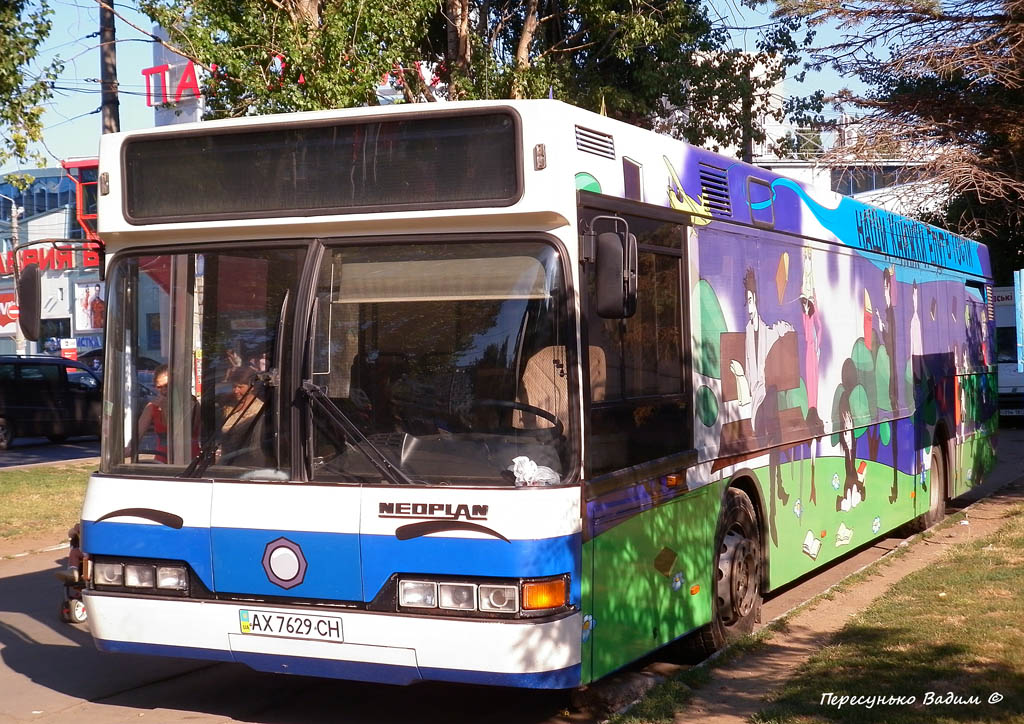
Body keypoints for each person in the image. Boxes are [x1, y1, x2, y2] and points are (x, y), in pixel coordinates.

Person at [135, 364, 199, 463]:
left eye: (167, 386)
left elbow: (178, 430)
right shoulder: (152, 407)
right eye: (159, 387)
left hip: (189, 460)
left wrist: (165, 407)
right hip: (162, 460)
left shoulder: (190, 402)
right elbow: (137, 434)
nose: (164, 391)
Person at [218, 365, 268, 466]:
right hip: (226, 462)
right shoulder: (228, 406)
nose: (235, 391)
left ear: (251, 387)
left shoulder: (259, 410)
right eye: (234, 386)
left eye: (240, 387)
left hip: (249, 464)